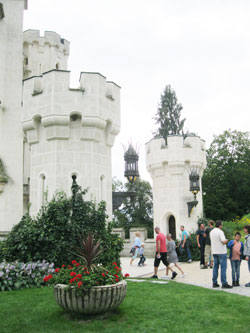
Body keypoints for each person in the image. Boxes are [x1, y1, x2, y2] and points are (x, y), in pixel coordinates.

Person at [210, 220, 232, 288]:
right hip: (221, 252)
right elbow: (223, 241)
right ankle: (224, 283)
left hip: (214, 251)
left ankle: (214, 282)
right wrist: (227, 240)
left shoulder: (211, 232)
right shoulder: (220, 232)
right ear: (220, 225)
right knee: (223, 268)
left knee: (215, 268)